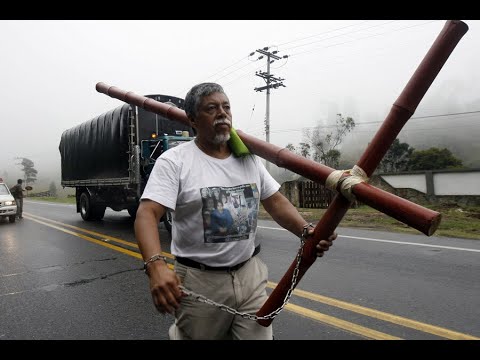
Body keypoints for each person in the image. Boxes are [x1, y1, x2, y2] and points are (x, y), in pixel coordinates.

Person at [134, 82, 337, 340]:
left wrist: (305, 230)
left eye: (226, 107)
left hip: (248, 274)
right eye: (212, 108)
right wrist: (156, 266)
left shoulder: (247, 157)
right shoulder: (175, 161)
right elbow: (147, 214)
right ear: (193, 119)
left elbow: (275, 201)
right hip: (199, 280)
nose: (222, 113)